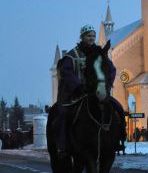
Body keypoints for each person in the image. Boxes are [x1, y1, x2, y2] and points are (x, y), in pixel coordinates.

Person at [54, 24, 127, 155]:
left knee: (118, 108)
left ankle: (119, 139)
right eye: (89, 36)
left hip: (96, 92)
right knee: (63, 114)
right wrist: (78, 86)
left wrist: (107, 85)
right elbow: (66, 72)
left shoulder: (100, 53)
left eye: (93, 36)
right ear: (82, 37)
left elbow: (111, 69)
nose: (91, 38)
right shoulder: (71, 55)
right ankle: (62, 145)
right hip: (77, 94)